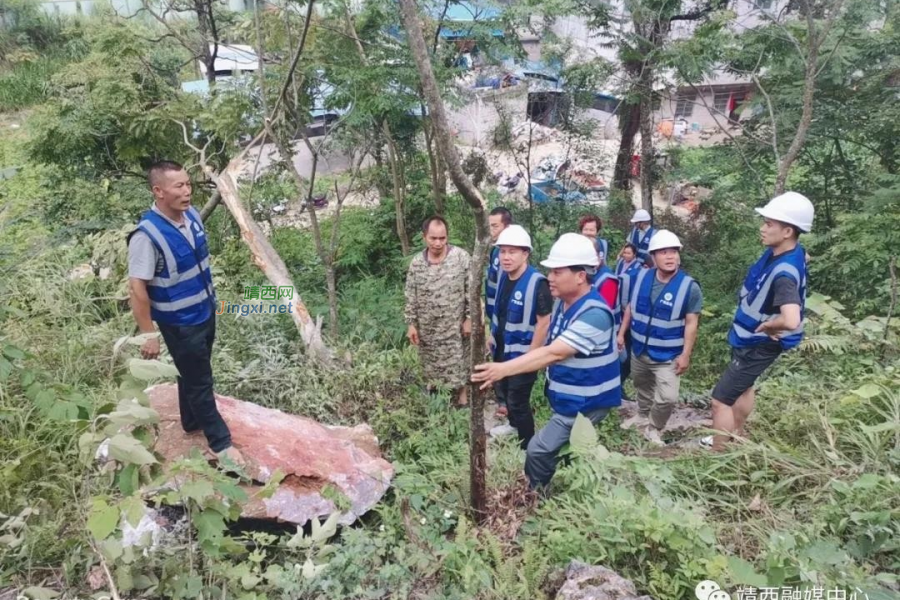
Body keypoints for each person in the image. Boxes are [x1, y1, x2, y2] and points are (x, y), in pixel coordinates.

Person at [473, 233, 621, 489]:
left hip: (585, 403)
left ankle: (538, 496)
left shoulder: (594, 314)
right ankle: (574, 486)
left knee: (538, 450)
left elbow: (554, 352)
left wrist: (502, 370)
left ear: (580, 276)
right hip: (571, 399)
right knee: (571, 450)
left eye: (556, 272)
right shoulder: (564, 305)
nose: (550, 278)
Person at [127, 160, 245, 466]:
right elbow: (137, 290)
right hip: (179, 323)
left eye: (188, 184)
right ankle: (221, 444)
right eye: (178, 186)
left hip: (205, 311)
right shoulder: (146, 236)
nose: (187, 191)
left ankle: (191, 422)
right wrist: (148, 334)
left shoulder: (191, 217)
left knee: (192, 372)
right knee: (200, 380)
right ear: (158, 191)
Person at [708, 192, 813, 451]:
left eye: (769, 224)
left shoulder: (784, 274)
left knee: (720, 400)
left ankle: (717, 455)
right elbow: (805, 258)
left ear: (788, 231)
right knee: (745, 388)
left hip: (758, 343)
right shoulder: (790, 253)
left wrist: (770, 325)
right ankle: (738, 437)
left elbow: (791, 318)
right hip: (749, 339)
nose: (762, 228)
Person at [617, 230, 702, 445]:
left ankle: (654, 427)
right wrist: (621, 334)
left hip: (667, 355)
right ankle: (642, 414)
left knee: (668, 397)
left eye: (673, 251)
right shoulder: (642, 277)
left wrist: (686, 355)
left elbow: (692, 323)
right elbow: (631, 308)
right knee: (641, 385)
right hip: (640, 350)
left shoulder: (688, 287)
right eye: (663, 252)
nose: (670, 256)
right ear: (653, 257)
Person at [488, 225, 553, 448]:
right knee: (505, 391)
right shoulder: (504, 277)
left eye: (512, 252)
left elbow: (544, 321)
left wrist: (532, 357)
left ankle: (528, 446)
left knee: (518, 400)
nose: (506, 257)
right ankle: (513, 426)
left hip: (523, 353)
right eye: (503, 251)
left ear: (525, 253)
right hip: (502, 349)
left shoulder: (537, 283)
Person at [405, 216, 472, 407]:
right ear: (424, 237)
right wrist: (411, 323)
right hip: (428, 326)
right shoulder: (417, 263)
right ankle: (434, 393)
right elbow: (411, 294)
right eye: (433, 238)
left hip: (455, 325)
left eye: (442, 238)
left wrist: (469, 317)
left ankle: (462, 396)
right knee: (429, 361)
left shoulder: (461, 257)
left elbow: (472, 290)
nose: (438, 243)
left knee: (459, 359)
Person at [486, 207, 513, 416]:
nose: (492, 230)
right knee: (496, 351)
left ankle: (507, 401)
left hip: (507, 314)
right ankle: (500, 397)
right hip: (493, 312)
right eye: (490, 225)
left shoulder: (512, 252)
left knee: (506, 354)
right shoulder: (496, 250)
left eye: (495, 226)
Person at [615, 243, 643, 383]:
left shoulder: (637, 271)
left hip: (628, 312)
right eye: (624, 253)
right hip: (619, 310)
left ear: (634, 255)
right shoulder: (620, 263)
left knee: (627, 353)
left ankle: (620, 381)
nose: (626, 255)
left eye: (628, 253)